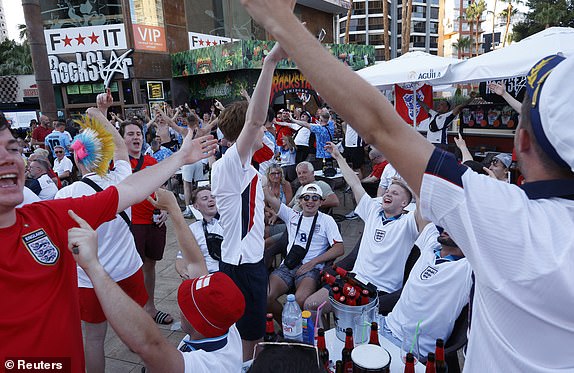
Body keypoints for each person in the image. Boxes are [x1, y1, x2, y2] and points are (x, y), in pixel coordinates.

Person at [233, 8, 574, 369]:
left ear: (520, 142)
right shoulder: (499, 222)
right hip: (386, 324)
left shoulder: (504, 220)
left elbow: (382, 126)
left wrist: (280, 23)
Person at [0, 109, 216, 371]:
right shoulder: (80, 194)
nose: (7, 159)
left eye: (13, 149)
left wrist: (181, 157)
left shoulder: (48, 214)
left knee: (97, 339)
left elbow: (131, 190)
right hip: (124, 271)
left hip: (92, 283)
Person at [66, 199, 245, 373]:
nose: (179, 309)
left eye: (186, 307)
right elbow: (196, 263)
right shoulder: (227, 326)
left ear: (198, 323)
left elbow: (149, 344)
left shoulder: (204, 365)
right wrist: (173, 208)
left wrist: (93, 266)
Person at [55, 93, 147, 373]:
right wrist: (100, 115)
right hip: (129, 269)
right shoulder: (121, 179)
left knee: (94, 339)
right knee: (142, 331)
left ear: (76, 159)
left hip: (89, 279)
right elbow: (120, 147)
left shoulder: (64, 195)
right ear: (104, 155)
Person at [210, 42, 287, 362]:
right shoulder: (230, 163)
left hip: (249, 261)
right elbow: (255, 121)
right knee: (248, 341)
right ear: (245, 131)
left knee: (253, 332)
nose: (265, 127)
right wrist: (269, 62)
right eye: (259, 125)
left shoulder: (247, 164)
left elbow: (256, 124)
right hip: (242, 267)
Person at [304, 143, 425, 315]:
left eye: (395, 193)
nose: (388, 194)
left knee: (354, 332)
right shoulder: (373, 210)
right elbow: (355, 184)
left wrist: (416, 172)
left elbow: (422, 204)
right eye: (388, 191)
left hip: (380, 292)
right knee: (311, 305)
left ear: (405, 204)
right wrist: (338, 156)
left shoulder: (409, 223)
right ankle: (321, 338)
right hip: (353, 280)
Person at [380, 224, 472, 357]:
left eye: (456, 224)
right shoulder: (430, 243)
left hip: (410, 349)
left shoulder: (469, 269)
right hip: (384, 323)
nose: (447, 225)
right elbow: (424, 207)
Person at [265, 183, 344, 321]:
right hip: (289, 265)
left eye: (315, 198)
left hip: (311, 269)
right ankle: (286, 324)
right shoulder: (292, 215)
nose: (310, 201)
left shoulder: (327, 220)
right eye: (306, 197)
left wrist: (313, 262)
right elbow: (270, 198)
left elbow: (339, 248)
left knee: (300, 300)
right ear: (300, 201)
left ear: (321, 202)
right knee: (265, 297)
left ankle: (295, 326)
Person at [120, 120, 172, 325]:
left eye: (138, 134)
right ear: (122, 139)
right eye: (130, 134)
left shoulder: (150, 160)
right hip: (132, 224)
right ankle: (134, 318)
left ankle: (149, 308)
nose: (136, 138)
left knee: (150, 265)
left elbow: (159, 190)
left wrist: (164, 209)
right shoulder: (117, 165)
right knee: (132, 271)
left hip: (154, 221)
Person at [174, 186, 223, 276]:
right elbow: (181, 257)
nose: (211, 200)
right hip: (204, 276)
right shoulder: (193, 229)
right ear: (196, 206)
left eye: (213, 197)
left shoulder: (228, 223)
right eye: (205, 198)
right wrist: (183, 272)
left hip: (227, 274)